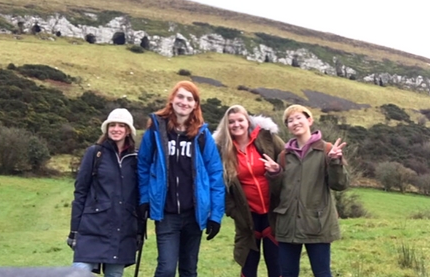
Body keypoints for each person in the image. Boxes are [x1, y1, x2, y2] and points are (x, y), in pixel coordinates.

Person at [138, 80, 225, 277]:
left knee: (188, 269)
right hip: (166, 213)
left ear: (195, 105)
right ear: (172, 99)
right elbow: (143, 165)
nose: (184, 102)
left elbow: (215, 176)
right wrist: (144, 199)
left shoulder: (202, 135)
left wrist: (216, 215)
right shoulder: (156, 130)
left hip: (194, 214)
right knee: (166, 269)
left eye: (189, 98)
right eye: (180, 97)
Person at [263, 104, 349, 277]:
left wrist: (335, 162)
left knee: (322, 273)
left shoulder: (327, 150)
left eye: (298, 118)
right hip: (288, 225)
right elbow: (279, 192)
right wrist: (275, 173)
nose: (295, 123)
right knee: (287, 273)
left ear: (309, 120)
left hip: (316, 224)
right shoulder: (283, 155)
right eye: (289, 120)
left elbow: (339, 185)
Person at [67, 108, 144, 277]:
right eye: (112, 125)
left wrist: (139, 231)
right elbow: (80, 192)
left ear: (128, 130)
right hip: (92, 228)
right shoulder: (95, 153)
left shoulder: (136, 158)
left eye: (121, 125)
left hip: (122, 231)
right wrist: (74, 230)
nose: (116, 129)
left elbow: (139, 197)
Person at [213, 105, 285, 277]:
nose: (236, 125)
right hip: (246, 217)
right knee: (248, 267)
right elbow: (219, 184)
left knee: (277, 266)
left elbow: (288, 160)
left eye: (240, 120)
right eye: (231, 122)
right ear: (226, 125)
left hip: (273, 214)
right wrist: (233, 211)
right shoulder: (222, 150)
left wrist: (277, 171)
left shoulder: (267, 139)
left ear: (248, 121)